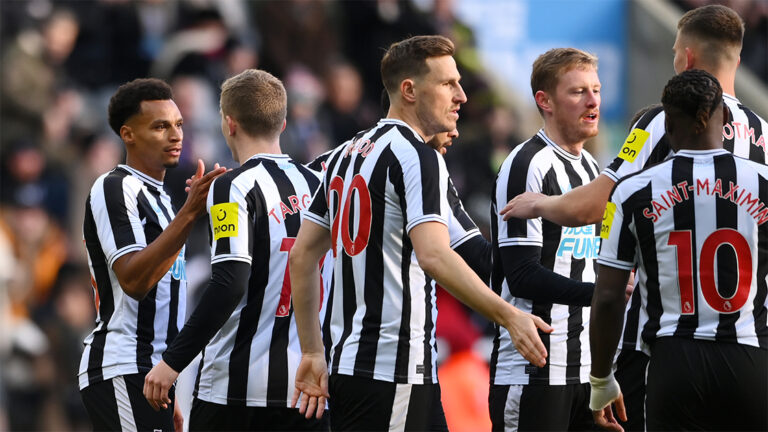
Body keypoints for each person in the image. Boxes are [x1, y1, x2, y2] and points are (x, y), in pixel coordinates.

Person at [501, 5, 768, 430]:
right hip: (749, 345)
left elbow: (599, 204)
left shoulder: (662, 121)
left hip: (664, 349)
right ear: (736, 57)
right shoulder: (763, 134)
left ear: (687, 59)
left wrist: (542, 204)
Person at [288, 35, 552, 431]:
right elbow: (434, 255)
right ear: (409, 90)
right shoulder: (417, 155)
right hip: (393, 366)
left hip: (358, 366)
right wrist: (509, 316)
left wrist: (312, 349)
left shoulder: (345, 153)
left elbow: (302, 255)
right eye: (448, 83)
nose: (461, 95)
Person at [141, 69, 330, 431]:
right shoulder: (319, 184)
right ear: (284, 122)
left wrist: (173, 362)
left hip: (236, 389)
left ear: (229, 124)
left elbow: (231, 282)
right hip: (309, 389)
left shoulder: (233, 186)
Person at [591, 69, 768, 431]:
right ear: (725, 119)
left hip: (674, 363)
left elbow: (608, 296)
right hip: (750, 357)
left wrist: (600, 380)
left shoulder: (631, 191)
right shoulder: (764, 182)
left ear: (667, 124)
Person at [78, 77, 225, 431]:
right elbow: (134, 280)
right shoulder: (114, 187)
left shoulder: (162, 199)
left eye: (178, 125)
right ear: (127, 134)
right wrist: (190, 213)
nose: (176, 136)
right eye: (160, 126)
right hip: (123, 364)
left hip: (153, 374)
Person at [488, 48, 601, 431]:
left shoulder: (591, 167)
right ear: (545, 101)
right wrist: (599, 295)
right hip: (533, 369)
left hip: (584, 370)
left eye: (596, 90)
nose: (592, 102)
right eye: (578, 92)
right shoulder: (527, 164)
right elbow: (521, 274)